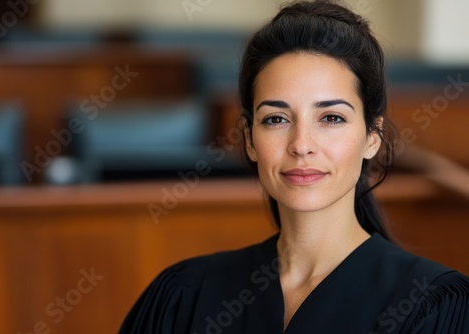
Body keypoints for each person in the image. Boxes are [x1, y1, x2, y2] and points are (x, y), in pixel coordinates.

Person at [120, 1, 469, 333]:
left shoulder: (433, 307)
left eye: (331, 118)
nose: (301, 144)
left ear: (372, 137)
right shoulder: (183, 297)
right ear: (250, 141)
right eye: (276, 119)